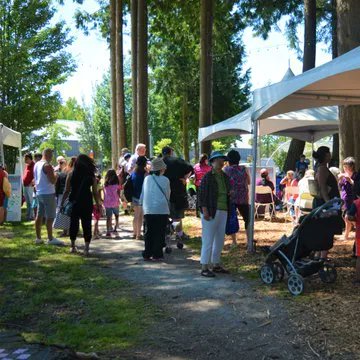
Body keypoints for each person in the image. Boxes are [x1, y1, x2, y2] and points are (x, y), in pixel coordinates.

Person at [198, 151, 231, 277]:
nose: (221, 161)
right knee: (208, 239)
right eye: (218, 159)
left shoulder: (224, 176)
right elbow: (202, 195)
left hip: (223, 210)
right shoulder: (208, 176)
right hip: (211, 210)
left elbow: (227, 191)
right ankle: (204, 266)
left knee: (219, 239)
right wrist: (204, 210)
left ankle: (216, 264)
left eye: (222, 159)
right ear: (212, 162)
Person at [62, 154, 100, 255]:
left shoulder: (71, 174)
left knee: (74, 223)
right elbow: (95, 192)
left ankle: (73, 246)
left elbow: (66, 190)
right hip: (87, 201)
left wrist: (62, 203)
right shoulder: (91, 175)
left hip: (74, 201)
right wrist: (98, 204)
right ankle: (86, 248)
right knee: (86, 224)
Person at [140, 157, 170, 261]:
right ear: (162, 169)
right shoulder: (166, 180)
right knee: (160, 231)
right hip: (162, 209)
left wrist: (142, 204)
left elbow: (143, 194)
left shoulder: (147, 179)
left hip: (149, 209)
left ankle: (147, 253)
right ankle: (157, 253)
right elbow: (168, 194)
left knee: (149, 232)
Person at [313, 146, 340, 261]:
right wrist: (327, 203)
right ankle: (322, 257)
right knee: (326, 230)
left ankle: (319, 256)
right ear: (325, 155)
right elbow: (323, 188)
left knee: (323, 230)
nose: (330, 155)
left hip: (325, 203)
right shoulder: (322, 169)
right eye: (328, 153)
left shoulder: (321, 168)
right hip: (325, 205)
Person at [162, 146, 193, 243]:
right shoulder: (178, 161)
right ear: (171, 152)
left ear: (163, 153)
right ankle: (179, 235)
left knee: (164, 215)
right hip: (178, 191)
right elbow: (190, 168)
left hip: (163, 193)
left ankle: (165, 234)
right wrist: (185, 178)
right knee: (177, 216)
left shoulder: (159, 162)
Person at [33, 149, 64, 245]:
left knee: (39, 215)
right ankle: (50, 239)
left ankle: (38, 238)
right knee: (50, 217)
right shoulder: (47, 165)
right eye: (51, 155)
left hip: (39, 192)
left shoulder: (37, 164)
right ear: (48, 155)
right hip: (48, 193)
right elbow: (53, 181)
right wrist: (56, 175)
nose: (52, 157)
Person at [223, 149, 250, 246]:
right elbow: (249, 182)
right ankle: (249, 240)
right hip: (243, 198)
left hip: (231, 198)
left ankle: (234, 241)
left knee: (231, 219)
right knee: (248, 219)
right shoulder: (244, 169)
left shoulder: (225, 170)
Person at [339, 157, 359, 240]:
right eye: (344, 166)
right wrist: (340, 180)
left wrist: (350, 180)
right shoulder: (344, 175)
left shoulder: (356, 175)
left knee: (349, 217)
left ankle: (346, 236)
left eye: (347, 166)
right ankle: (349, 234)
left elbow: (357, 186)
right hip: (345, 200)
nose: (345, 168)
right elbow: (340, 186)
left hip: (353, 199)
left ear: (352, 166)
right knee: (345, 217)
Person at [131, 156, 147, 240]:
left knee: (136, 215)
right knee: (140, 216)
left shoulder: (133, 172)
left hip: (134, 196)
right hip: (142, 196)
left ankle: (134, 233)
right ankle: (138, 234)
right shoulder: (145, 173)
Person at [53, 157, 70, 236]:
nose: (60, 165)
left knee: (64, 211)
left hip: (64, 195)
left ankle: (66, 230)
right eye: (59, 163)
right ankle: (67, 230)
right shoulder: (60, 172)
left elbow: (57, 185)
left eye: (61, 163)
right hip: (63, 194)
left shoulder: (63, 174)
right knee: (65, 212)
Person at [346, 198, 360, 285]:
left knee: (359, 258)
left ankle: (358, 279)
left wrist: (355, 219)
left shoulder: (357, 202)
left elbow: (349, 216)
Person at [103, 169, 121, 237]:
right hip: (115, 202)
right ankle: (115, 229)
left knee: (108, 217)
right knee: (116, 216)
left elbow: (104, 194)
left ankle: (108, 232)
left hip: (107, 203)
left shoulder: (105, 184)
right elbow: (118, 192)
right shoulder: (117, 184)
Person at [23, 153, 35, 221]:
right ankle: (28, 216)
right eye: (25, 159)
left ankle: (32, 216)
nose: (25, 160)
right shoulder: (27, 166)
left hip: (30, 186)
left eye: (26, 159)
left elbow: (35, 176)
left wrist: (31, 183)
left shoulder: (34, 165)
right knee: (27, 202)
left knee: (31, 202)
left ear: (30, 159)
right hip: (25, 186)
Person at [92, 173, 103, 240]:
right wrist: (100, 202)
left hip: (91, 203)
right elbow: (98, 195)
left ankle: (97, 231)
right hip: (97, 203)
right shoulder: (99, 186)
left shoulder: (90, 186)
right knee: (96, 219)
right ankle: (94, 233)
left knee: (94, 218)